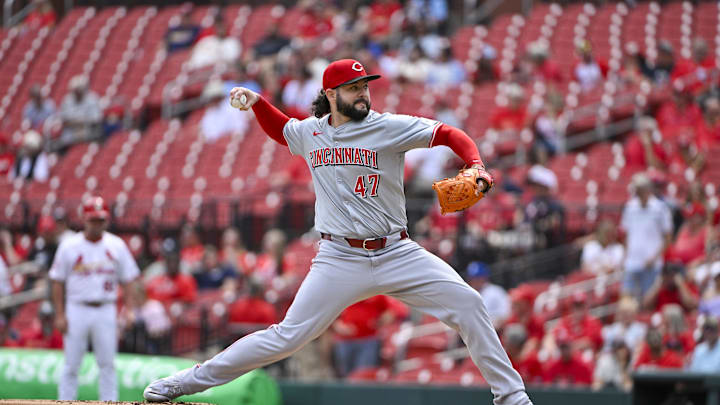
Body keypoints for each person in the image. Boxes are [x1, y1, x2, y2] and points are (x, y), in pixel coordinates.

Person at [144, 59, 533, 405]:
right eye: (353, 88)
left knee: (468, 304)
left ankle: (512, 397)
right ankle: (184, 383)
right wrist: (259, 103)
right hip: (339, 257)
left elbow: (448, 133)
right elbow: (284, 131)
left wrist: (477, 164)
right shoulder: (313, 132)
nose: (363, 94)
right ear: (331, 94)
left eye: (365, 87)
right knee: (286, 337)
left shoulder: (389, 127)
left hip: (397, 251)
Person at [49, 196, 140, 401]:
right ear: (84, 219)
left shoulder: (116, 245)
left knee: (107, 364)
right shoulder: (69, 245)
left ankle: (109, 402)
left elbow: (128, 279)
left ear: (106, 220)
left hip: (106, 308)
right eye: (93, 219)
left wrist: (129, 309)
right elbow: (57, 280)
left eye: (100, 220)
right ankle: (66, 401)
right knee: (71, 364)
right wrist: (60, 314)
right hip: (76, 307)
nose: (97, 224)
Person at [621, 173, 673, 300]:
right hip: (632, 262)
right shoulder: (630, 207)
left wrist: (655, 257)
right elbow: (625, 234)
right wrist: (626, 256)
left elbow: (667, 237)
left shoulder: (660, 208)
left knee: (648, 300)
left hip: (652, 264)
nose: (638, 192)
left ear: (648, 189)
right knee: (626, 297)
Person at [59, 76, 101, 148]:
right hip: (71, 129)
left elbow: (96, 119)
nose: (77, 92)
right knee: (65, 139)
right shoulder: (67, 100)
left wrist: (80, 122)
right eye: (75, 90)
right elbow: (64, 120)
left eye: (79, 90)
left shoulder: (92, 99)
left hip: (88, 128)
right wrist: (79, 122)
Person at [467, 261, 510, 328]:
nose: (475, 281)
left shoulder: (495, 291)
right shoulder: (469, 294)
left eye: (478, 278)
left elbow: (506, 312)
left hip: (495, 328)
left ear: (485, 277)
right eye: (473, 279)